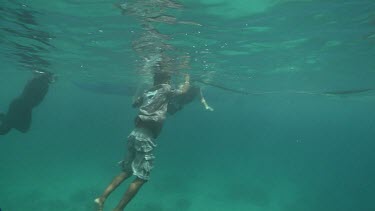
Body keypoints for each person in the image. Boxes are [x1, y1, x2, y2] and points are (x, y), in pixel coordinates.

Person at [95, 71, 190, 211]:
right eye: (169, 78)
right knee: (142, 178)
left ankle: (101, 198)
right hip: (145, 136)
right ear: (167, 79)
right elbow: (182, 91)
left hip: (134, 133)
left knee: (126, 171)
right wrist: (187, 78)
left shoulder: (148, 92)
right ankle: (118, 209)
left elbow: (135, 104)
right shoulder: (165, 88)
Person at [0, 71, 54, 135]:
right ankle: (43, 75)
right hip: (25, 102)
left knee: (40, 83)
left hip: (26, 102)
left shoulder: (10, 121)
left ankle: (43, 75)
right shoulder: (10, 121)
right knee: (39, 83)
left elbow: (24, 129)